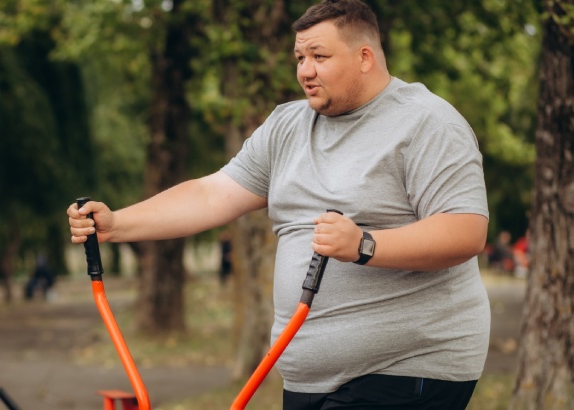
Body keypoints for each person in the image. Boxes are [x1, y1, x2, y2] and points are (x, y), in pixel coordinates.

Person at [67, 1, 489, 408]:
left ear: (364, 57)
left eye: (319, 56)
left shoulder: (427, 123)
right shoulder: (287, 125)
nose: (305, 71)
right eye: (299, 57)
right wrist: (117, 224)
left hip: (405, 369)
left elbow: (465, 230)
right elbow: (213, 193)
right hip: (306, 376)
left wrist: (365, 244)